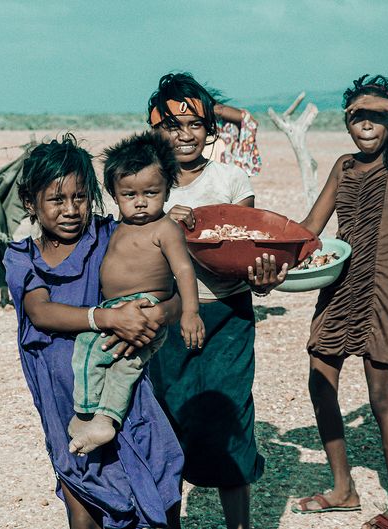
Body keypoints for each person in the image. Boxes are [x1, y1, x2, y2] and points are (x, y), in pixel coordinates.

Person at [292, 74, 388, 529]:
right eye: (357, 117)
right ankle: (343, 488)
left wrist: (387, 105)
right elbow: (311, 228)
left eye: (376, 117)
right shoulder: (344, 166)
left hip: (382, 291)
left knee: (381, 396)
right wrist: (268, 254)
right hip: (338, 286)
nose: (366, 125)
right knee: (320, 381)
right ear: (347, 123)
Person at [3, 134, 184, 529]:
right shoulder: (23, 257)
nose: (71, 210)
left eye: (80, 197)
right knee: (82, 493)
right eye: (56, 200)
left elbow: (169, 292)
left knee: (158, 475)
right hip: (64, 400)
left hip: (124, 390)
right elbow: (41, 312)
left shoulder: (112, 237)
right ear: (30, 202)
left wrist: (160, 314)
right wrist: (108, 319)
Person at [145, 72, 286, 529]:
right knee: (171, 417)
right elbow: (131, 247)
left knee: (232, 415)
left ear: (210, 129)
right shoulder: (148, 187)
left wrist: (263, 280)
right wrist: (163, 221)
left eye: (195, 125)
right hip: (168, 318)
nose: (184, 135)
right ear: (155, 130)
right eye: (172, 126)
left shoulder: (231, 179)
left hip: (228, 315)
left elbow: (245, 250)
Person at [68, 131, 205, 456]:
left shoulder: (165, 228)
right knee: (124, 366)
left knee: (88, 347)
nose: (140, 201)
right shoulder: (118, 227)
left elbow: (184, 270)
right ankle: (106, 419)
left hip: (146, 306)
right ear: (114, 195)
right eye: (129, 194)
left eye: (151, 192)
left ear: (168, 189)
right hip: (119, 308)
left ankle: (84, 412)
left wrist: (190, 312)